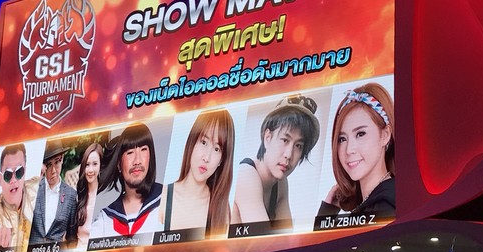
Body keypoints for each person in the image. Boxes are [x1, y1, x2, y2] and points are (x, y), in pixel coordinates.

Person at [231, 94, 320, 229]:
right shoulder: (245, 174)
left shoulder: (280, 183)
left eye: (298, 146)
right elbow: (263, 237)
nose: (289, 155)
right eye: (285, 140)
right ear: (267, 137)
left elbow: (286, 236)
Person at [317, 82, 395, 218]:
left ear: (385, 135)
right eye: (342, 139)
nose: (349, 150)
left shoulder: (385, 206)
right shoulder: (374, 204)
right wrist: (327, 213)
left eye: (360, 134)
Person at [159, 109, 235, 238]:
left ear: (221, 160)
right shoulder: (163, 196)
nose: (207, 157)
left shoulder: (221, 208)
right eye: (204, 142)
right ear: (192, 142)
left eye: (217, 149)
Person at [91, 123, 163, 237]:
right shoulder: (105, 220)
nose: (137, 161)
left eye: (143, 149)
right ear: (119, 164)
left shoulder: (168, 200)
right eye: (130, 153)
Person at [0, 143, 40, 252]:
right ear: (0, 179)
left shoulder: (37, 189)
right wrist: (0, 237)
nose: (14, 180)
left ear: (25, 172)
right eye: (8, 175)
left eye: (19, 172)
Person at [29, 139, 78, 246]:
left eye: (57, 162)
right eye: (49, 165)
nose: (53, 171)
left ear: (62, 159)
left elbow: (72, 238)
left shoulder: (71, 195)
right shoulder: (33, 188)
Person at [74, 143, 105, 249]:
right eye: (87, 165)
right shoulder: (78, 197)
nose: (90, 170)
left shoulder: (106, 198)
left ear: (101, 166)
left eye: (95, 164)